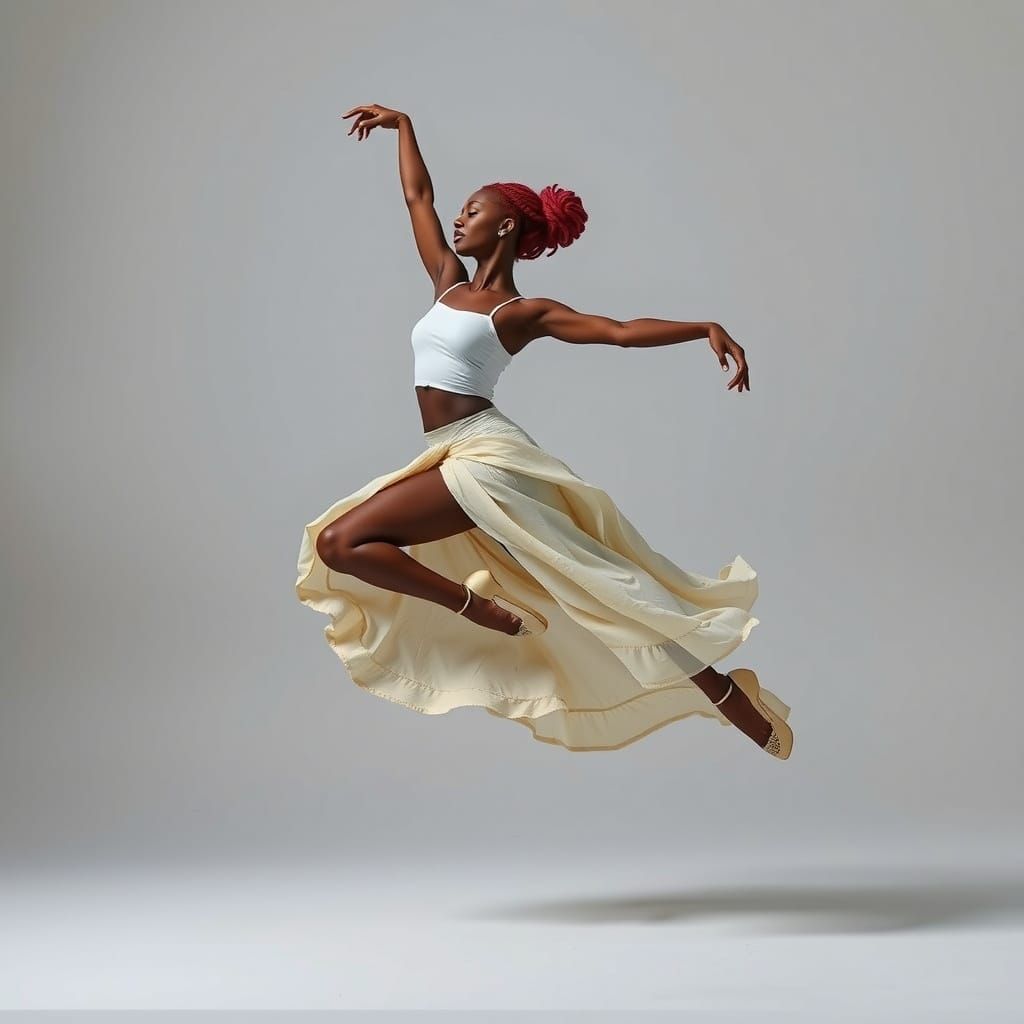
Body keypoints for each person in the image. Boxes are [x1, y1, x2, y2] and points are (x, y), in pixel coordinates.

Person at [294, 103, 794, 757]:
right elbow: (418, 196)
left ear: (504, 226)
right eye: (460, 211)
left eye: (472, 211)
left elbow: (617, 331)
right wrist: (404, 124)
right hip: (448, 452)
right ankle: (725, 693)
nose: (458, 220)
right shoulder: (446, 282)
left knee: (346, 542)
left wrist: (701, 327)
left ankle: (483, 611)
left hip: (485, 457)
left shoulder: (520, 311)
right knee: (592, 587)